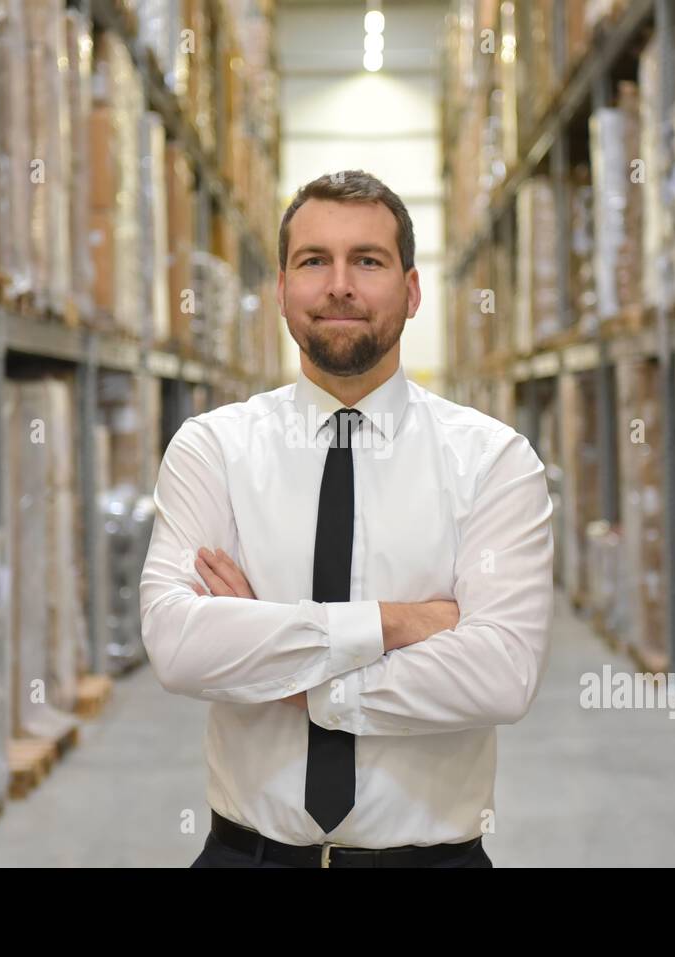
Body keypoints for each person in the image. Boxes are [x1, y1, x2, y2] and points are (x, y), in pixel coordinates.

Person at [140, 169, 555, 868]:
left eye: (367, 260)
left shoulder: (492, 461)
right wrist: (397, 622)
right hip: (247, 855)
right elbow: (180, 647)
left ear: (413, 289)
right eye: (313, 261)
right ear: (280, 289)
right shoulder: (213, 449)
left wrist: (276, 659)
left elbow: (500, 673)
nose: (339, 285)